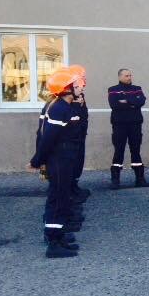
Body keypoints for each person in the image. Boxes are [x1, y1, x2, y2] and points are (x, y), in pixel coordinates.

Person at [29, 67, 86, 258]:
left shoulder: (66, 107)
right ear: (66, 89)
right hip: (59, 160)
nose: (81, 87)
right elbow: (47, 139)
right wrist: (37, 161)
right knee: (57, 200)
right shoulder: (59, 108)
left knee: (62, 198)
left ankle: (59, 237)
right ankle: (53, 243)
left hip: (66, 159)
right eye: (76, 85)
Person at [107, 68, 148, 189]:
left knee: (136, 150)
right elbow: (114, 104)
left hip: (135, 124)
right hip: (119, 125)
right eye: (126, 76)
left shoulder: (137, 88)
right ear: (119, 77)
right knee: (119, 150)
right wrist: (133, 102)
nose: (129, 77)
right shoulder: (113, 90)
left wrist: (126, 100)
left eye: (130, 75)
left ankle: (140, 179)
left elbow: (141, 101)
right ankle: (115, 180)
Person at [67, 65, 90, 204]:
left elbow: (83, 114)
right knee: (71, 161)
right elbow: (70, 117)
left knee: (78, 160)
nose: (84, 79)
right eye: (83, 76)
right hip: (71, 137)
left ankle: (74, 185)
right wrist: (76, 105)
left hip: (80, 133)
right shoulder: (68, 96)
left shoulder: (80, 94)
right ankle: (68, 190)